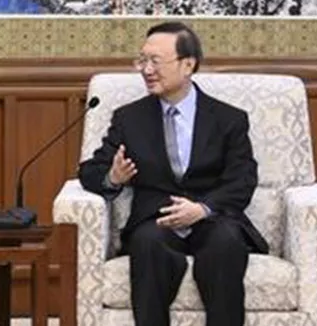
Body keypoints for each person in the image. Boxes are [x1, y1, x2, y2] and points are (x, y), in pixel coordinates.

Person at [78, 22, 268, 326]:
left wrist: (202, 209)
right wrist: (113, 177)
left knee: (226, 242)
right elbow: (90, 171)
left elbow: (243, 178)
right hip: (156, 220)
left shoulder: (229, 119)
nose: (146, 70)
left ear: (188, 65)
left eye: (155, 61)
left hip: (213, 217)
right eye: (142, 60)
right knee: (147, 243)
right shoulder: (129, 118)